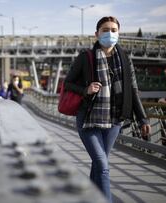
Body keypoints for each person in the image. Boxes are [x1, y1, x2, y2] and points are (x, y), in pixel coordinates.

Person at [64, 16, 151, 203]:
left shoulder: (125, 60)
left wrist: (143, 119)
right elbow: (68, 83)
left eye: (113, 30)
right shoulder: (85, 58)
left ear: (118, 33)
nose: (109, 33)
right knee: (103, 165)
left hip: (114, 121)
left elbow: (133, 91)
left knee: (98, 164)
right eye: (105, 30)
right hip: (88, 119)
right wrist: (85, 90)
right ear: (97, 34)